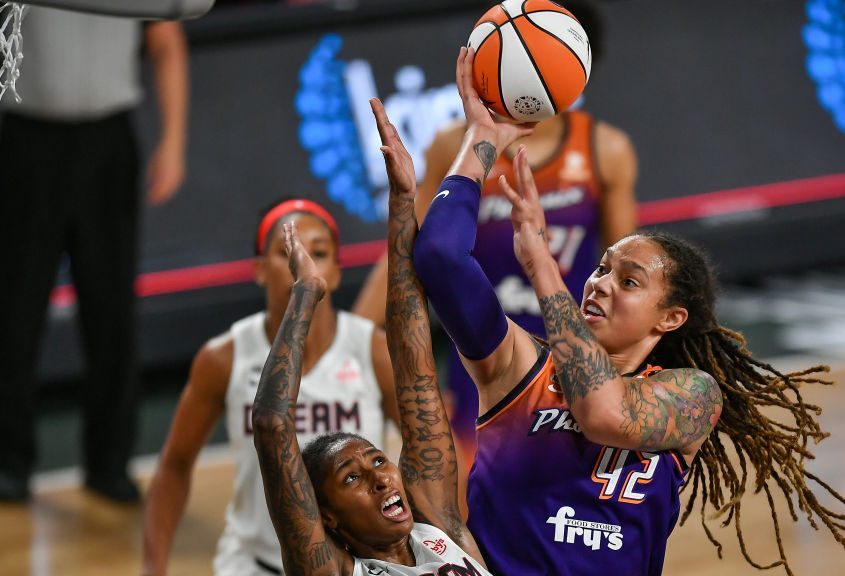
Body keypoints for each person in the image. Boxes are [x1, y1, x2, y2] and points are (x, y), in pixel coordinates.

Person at [410, 47, 845, 575]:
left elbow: (603, 413)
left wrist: (542, 266)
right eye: (600, 270)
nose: (600, 285)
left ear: (670, 318)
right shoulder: (516, 368)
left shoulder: (691, 395)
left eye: (628, 281)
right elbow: (439, 256)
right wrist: (483, 142)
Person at [352, 0, 637, 449]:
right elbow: (406, 250)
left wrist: (630, 375)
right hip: (482, 358)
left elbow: (628, 279)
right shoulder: (456, 145)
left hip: (574, 357)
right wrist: (351, 336)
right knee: (470, 511)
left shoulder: (606, 150)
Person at [246, 97, 490, 576]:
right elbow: (273, 428)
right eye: (352, 477)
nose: (380, 479)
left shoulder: (441, 529)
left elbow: (413, 359)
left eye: (378, 462)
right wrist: (306, 295)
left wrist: (403, 203)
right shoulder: (336, 570)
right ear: (328, 518)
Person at [142, 199, 399, 576]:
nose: (304, 264)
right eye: (288, 252)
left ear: (337, 271)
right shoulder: (224, 357)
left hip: (356, 566)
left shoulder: (373, 351)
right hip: (254, 564)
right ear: (260, 270)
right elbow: (175, 464)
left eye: (319, 252)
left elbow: (432, 451)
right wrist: (153, 566)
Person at [0, 8, 188, 502]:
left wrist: (173, 141)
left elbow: (167, 42)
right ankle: (9, 461)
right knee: (15, 309)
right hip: (25, 137)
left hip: (107, 141)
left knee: (111, 311)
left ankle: (109, 463)